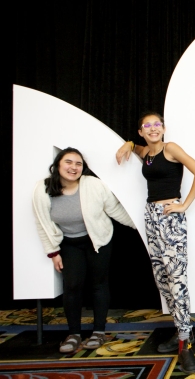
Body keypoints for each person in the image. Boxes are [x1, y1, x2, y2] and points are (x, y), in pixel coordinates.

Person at [116, 111, 195, 374]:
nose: (153, 128)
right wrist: (130, 145)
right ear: (141, 132)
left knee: (177, 281)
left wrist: (184, 204)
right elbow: (138, 149)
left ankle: (185, 347)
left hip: (170, 218)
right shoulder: (147, 153)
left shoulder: (171, 148)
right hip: (150, 217)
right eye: (147, 125)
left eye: (157, 124)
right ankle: (184, 332)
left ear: (164, 129)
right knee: (162, 280)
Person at [32, 147, 136, 354]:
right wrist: (52, 252)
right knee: (72, 286)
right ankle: (74, 334)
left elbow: (114, 209)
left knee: (99, 285)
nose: (74, 167)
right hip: (69, 243)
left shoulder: (94, 185)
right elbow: (41, 222)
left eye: (78, 164)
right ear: (57, 166)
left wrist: (141, 226)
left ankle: (99, 331)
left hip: (98, 240)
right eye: (68, 162)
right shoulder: (43, 189)